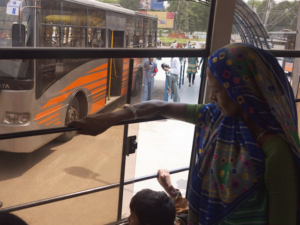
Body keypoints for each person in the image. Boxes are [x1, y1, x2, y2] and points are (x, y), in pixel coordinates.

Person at [67, 43, 300, 224]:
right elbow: (159, 106)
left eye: (217, 91)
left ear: (244, 91)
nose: (211, 98)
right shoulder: (216, 116)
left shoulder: (276, 153)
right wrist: (110, 118)